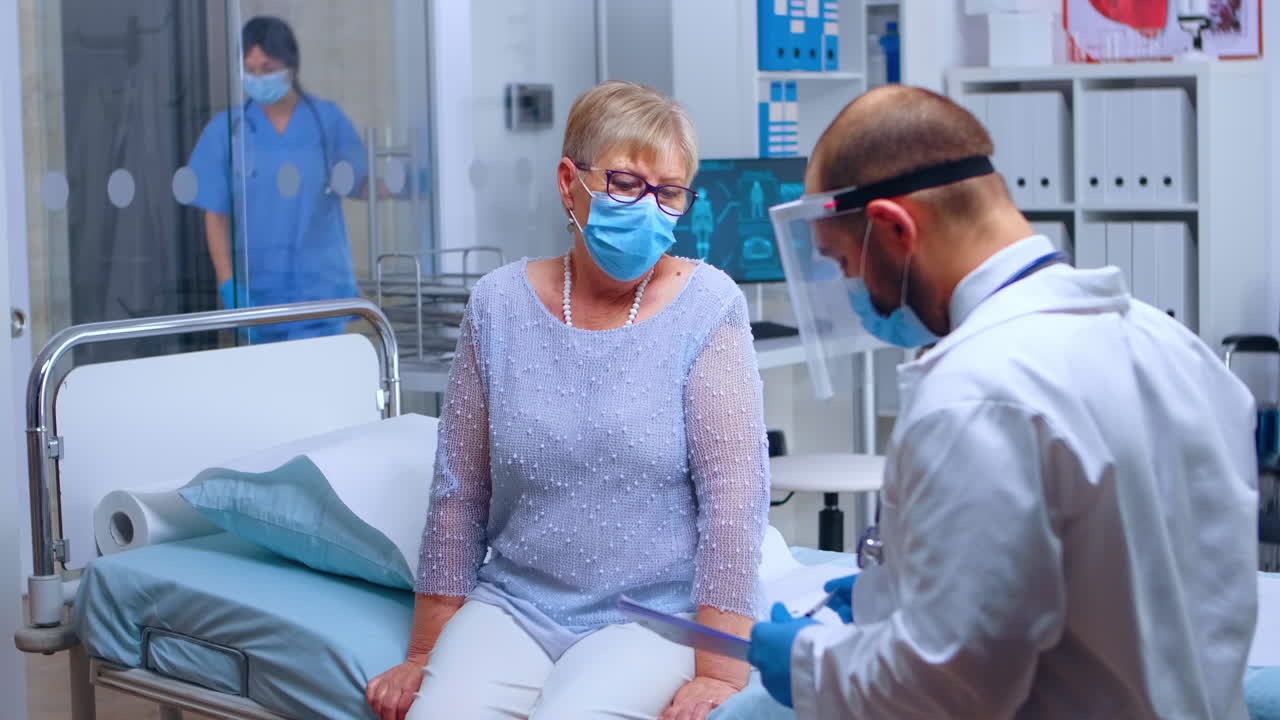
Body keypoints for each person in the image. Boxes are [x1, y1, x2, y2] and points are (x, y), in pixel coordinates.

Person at [749, 85, 1259, 718]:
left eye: (845, 262)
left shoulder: (975, 396)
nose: (851, 287)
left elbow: (945, 695)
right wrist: (900, 594)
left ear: (892, 227)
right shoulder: (1178, 352)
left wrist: (809, 665)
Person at [365, 81, 770, 720]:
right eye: (626, 183)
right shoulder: (497, 306)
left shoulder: (709, 307)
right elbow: (459, 494)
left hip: (654, 616)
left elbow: (735, 503)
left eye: (668, 193)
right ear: (567, 182)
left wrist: (719, 671)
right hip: (516, 606)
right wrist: (423, 655)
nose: (648, 208)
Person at [188, 16, 369, 343]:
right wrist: (228, 284)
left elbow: (360, 183)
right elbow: (215, 214)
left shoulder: (326, 120)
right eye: (250, 69)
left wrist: (410, 183)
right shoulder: (226, 131)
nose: (258, 77)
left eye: (268, 67)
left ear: (291, 65)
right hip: (258, 292)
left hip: (321, 290)